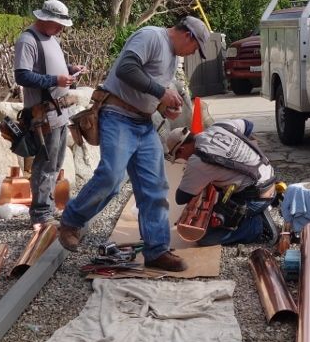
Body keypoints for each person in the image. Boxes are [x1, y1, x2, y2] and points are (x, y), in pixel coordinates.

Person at [56, 16, 211, 272]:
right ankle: (71, 221)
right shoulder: (151, 36)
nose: (194, 52)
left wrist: (163, 107)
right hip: (117, 116)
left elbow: (149, 88)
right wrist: (161, 94)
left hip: (143, 122)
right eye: (195, 47)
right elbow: (126, 68)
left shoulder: (172, 57)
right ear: (188, 36)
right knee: (111, 177)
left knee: (155, 187)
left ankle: (157, 250)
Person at [13, 0, 83, 226]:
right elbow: (22, 76)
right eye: (58, 23)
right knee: (45, 164)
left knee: (55, 162)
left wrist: (70, 70)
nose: (62, 28)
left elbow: (49, 67)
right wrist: (56, 79)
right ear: (44, 19)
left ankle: (48, 208)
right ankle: (41, 214)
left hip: (59, 112)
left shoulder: (51, 38)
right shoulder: (28, 40)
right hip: (44, 114)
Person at [166, 118, 280, 247]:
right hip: (268, 176)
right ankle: (252, 214)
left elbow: (181, 197)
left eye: (180, 157)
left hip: (257, 197)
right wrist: (240, 154)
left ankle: (254, 227)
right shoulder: (219, 126)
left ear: (181, 149)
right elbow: (248, 125)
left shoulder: (198, 161)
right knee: (218, 193)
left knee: (205, 238)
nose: (184, 160)